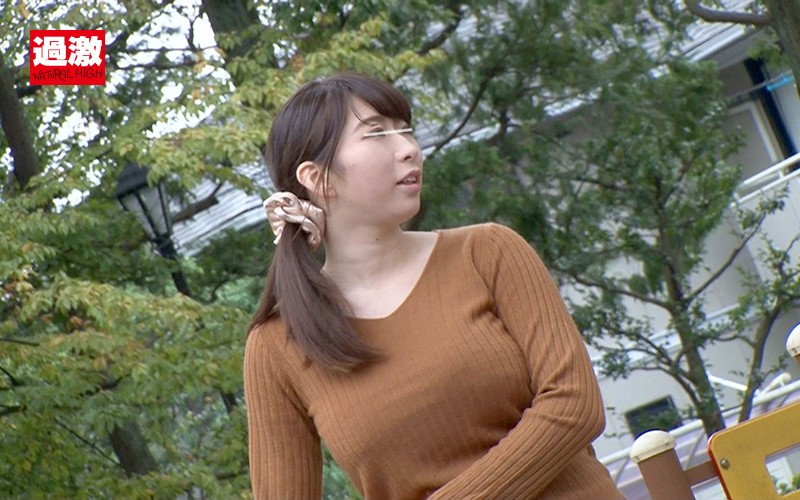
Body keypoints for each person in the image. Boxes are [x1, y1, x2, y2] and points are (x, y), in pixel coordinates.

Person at [244, 72, 624, 499]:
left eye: (406, 130)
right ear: (317, 178)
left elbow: (575, 404)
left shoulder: (488, 252)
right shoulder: (277, 344)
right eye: (377, 134)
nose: (409, 148)